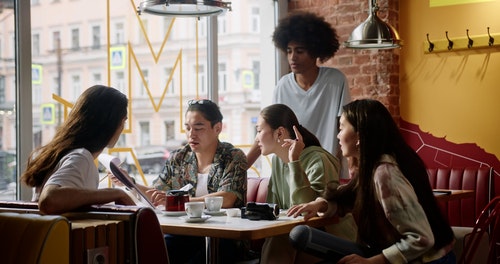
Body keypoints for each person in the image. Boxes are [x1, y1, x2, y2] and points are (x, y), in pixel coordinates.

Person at [288, 99, 456, 264]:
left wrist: (373, 261)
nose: (338, 136)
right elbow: (350, 197)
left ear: (359, 136)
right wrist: (321, 204)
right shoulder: (372, 167)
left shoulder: (385, 174)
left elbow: (421, 239)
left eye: (341, 128)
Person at [119, 98, 248, 263]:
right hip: (186, 233)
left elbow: (228, 198)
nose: (191, 134)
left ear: (217, 128)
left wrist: (178, 201)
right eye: (187, 128)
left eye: (198, 128)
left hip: (224, 235)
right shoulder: (179, 157)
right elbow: (156, 194)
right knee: (153, 251)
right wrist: (130, 183)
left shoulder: (233, 157)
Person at [247, 11, 351, 168]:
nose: (292, 57)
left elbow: (343, 128)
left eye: (299, 51)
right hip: (292, 167)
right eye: (289, 51)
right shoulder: (282, 86)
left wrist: (337, 167)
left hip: (326, 168)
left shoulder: (335, 81)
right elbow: (267, 130)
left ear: (315, 52)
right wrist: (240, 169)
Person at [256, 104, 356, 264]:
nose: (256, 138)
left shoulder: (318, 159)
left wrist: (294, 162)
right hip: (298, 235)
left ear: (279, 132)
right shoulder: (276, 162)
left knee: (282, 238)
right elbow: (274, 209)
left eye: (259, 130)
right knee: (278, 237)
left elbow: (307, 213)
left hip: (333, 238)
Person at [21, 85, 136, 215]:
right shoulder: (81, 158)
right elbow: (49, 200)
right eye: (123, 122)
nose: (122, 129)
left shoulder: (61, 153)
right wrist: (115, 193)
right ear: (108, 124)